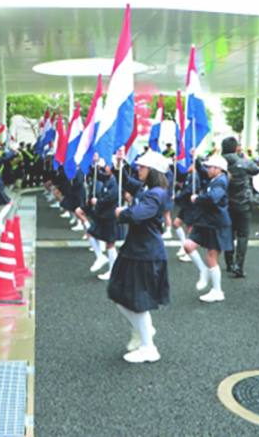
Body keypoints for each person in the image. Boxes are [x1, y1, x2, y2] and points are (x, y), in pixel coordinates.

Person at [108, 150, 170, 363]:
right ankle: (145, 331)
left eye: (142, 167)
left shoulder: (156, 194)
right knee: (118, 294)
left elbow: (137, 214)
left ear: (153, 171)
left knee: (137, 301)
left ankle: (148, 347)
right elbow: (127, 181)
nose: (138, 169)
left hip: (145, 253)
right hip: (136, 250)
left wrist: (121, 213)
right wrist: (119, 164)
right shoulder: (147, 189)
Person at [184, 155, 233, 302]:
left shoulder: (221, 181)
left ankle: (217, 291)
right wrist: (195, 157)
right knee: (188, 245)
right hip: (206, 222)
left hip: (215, 224)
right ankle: (203, 270)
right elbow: (201, 170)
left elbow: (213, 198)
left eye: (210, 167)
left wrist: (197, 199)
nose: (207, 169)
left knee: (211, 257)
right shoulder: (215, 179)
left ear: (218, 169)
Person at [220, 136, 259, 278]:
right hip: (243, 202)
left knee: (229, 233)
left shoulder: (220, 162)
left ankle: (229, 263)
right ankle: (239, 265)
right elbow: (256, 170)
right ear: (236, 147)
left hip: (226, 203)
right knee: (243, 235)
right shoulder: (243, 162)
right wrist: (244, 156)